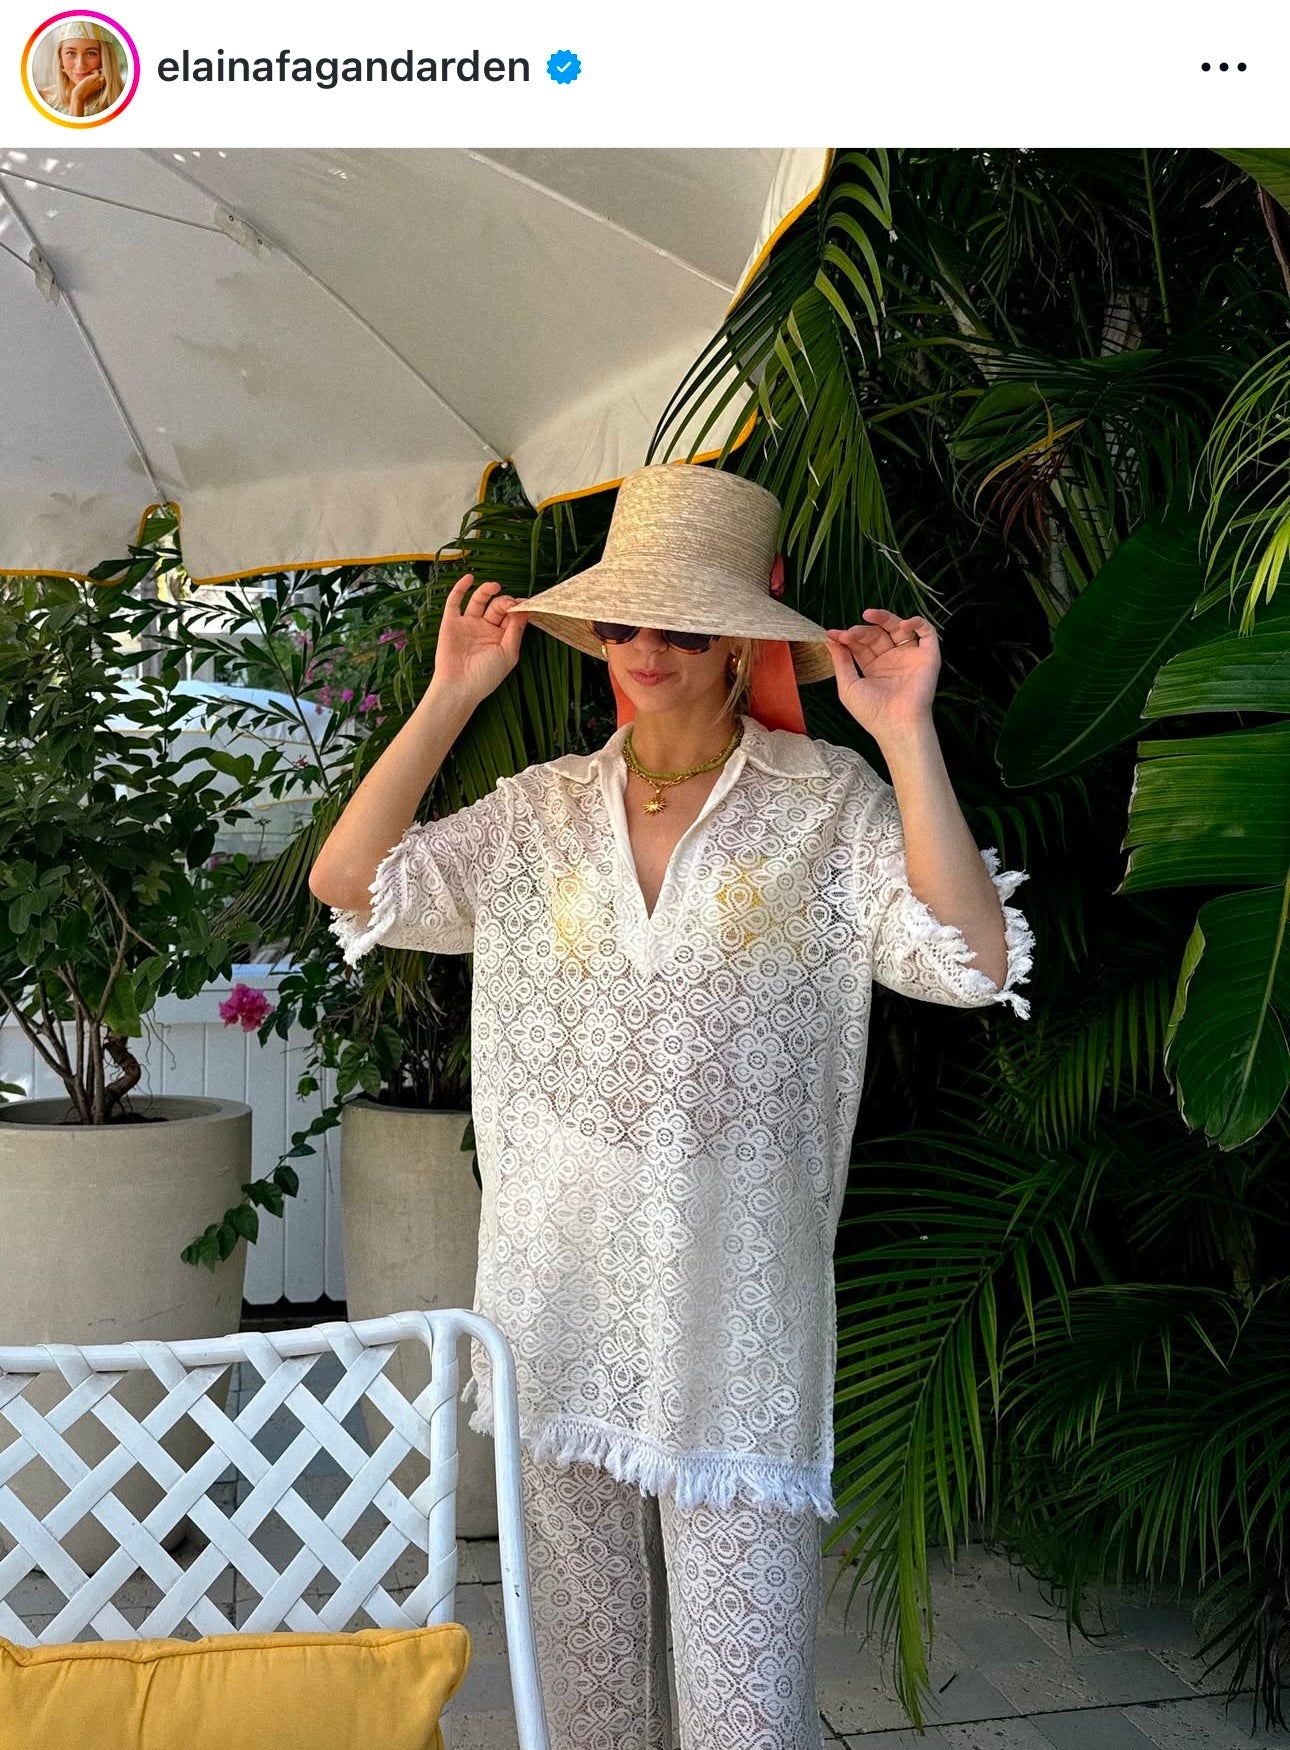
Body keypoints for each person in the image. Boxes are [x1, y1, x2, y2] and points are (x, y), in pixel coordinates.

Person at [309, 463, 1034, 1750]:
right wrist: (450, 694)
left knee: (745, 1713)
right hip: (555, 1301)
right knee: (584, 1698)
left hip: (736, 1320)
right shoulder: (539, 812)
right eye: (623, 619)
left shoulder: (826, 806)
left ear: (744, 632)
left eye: (686, 624)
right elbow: (351, 881)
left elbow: (972, 961)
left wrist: (905, 734)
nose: (648, 649)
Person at [37, 19, 125, 120]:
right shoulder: (41, 99)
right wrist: (78, 98)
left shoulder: (124, 100)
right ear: (60, 58)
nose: (80, 65)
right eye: (71, 53)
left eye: (91, 53)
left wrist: (77, 97)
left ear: (105, 58)